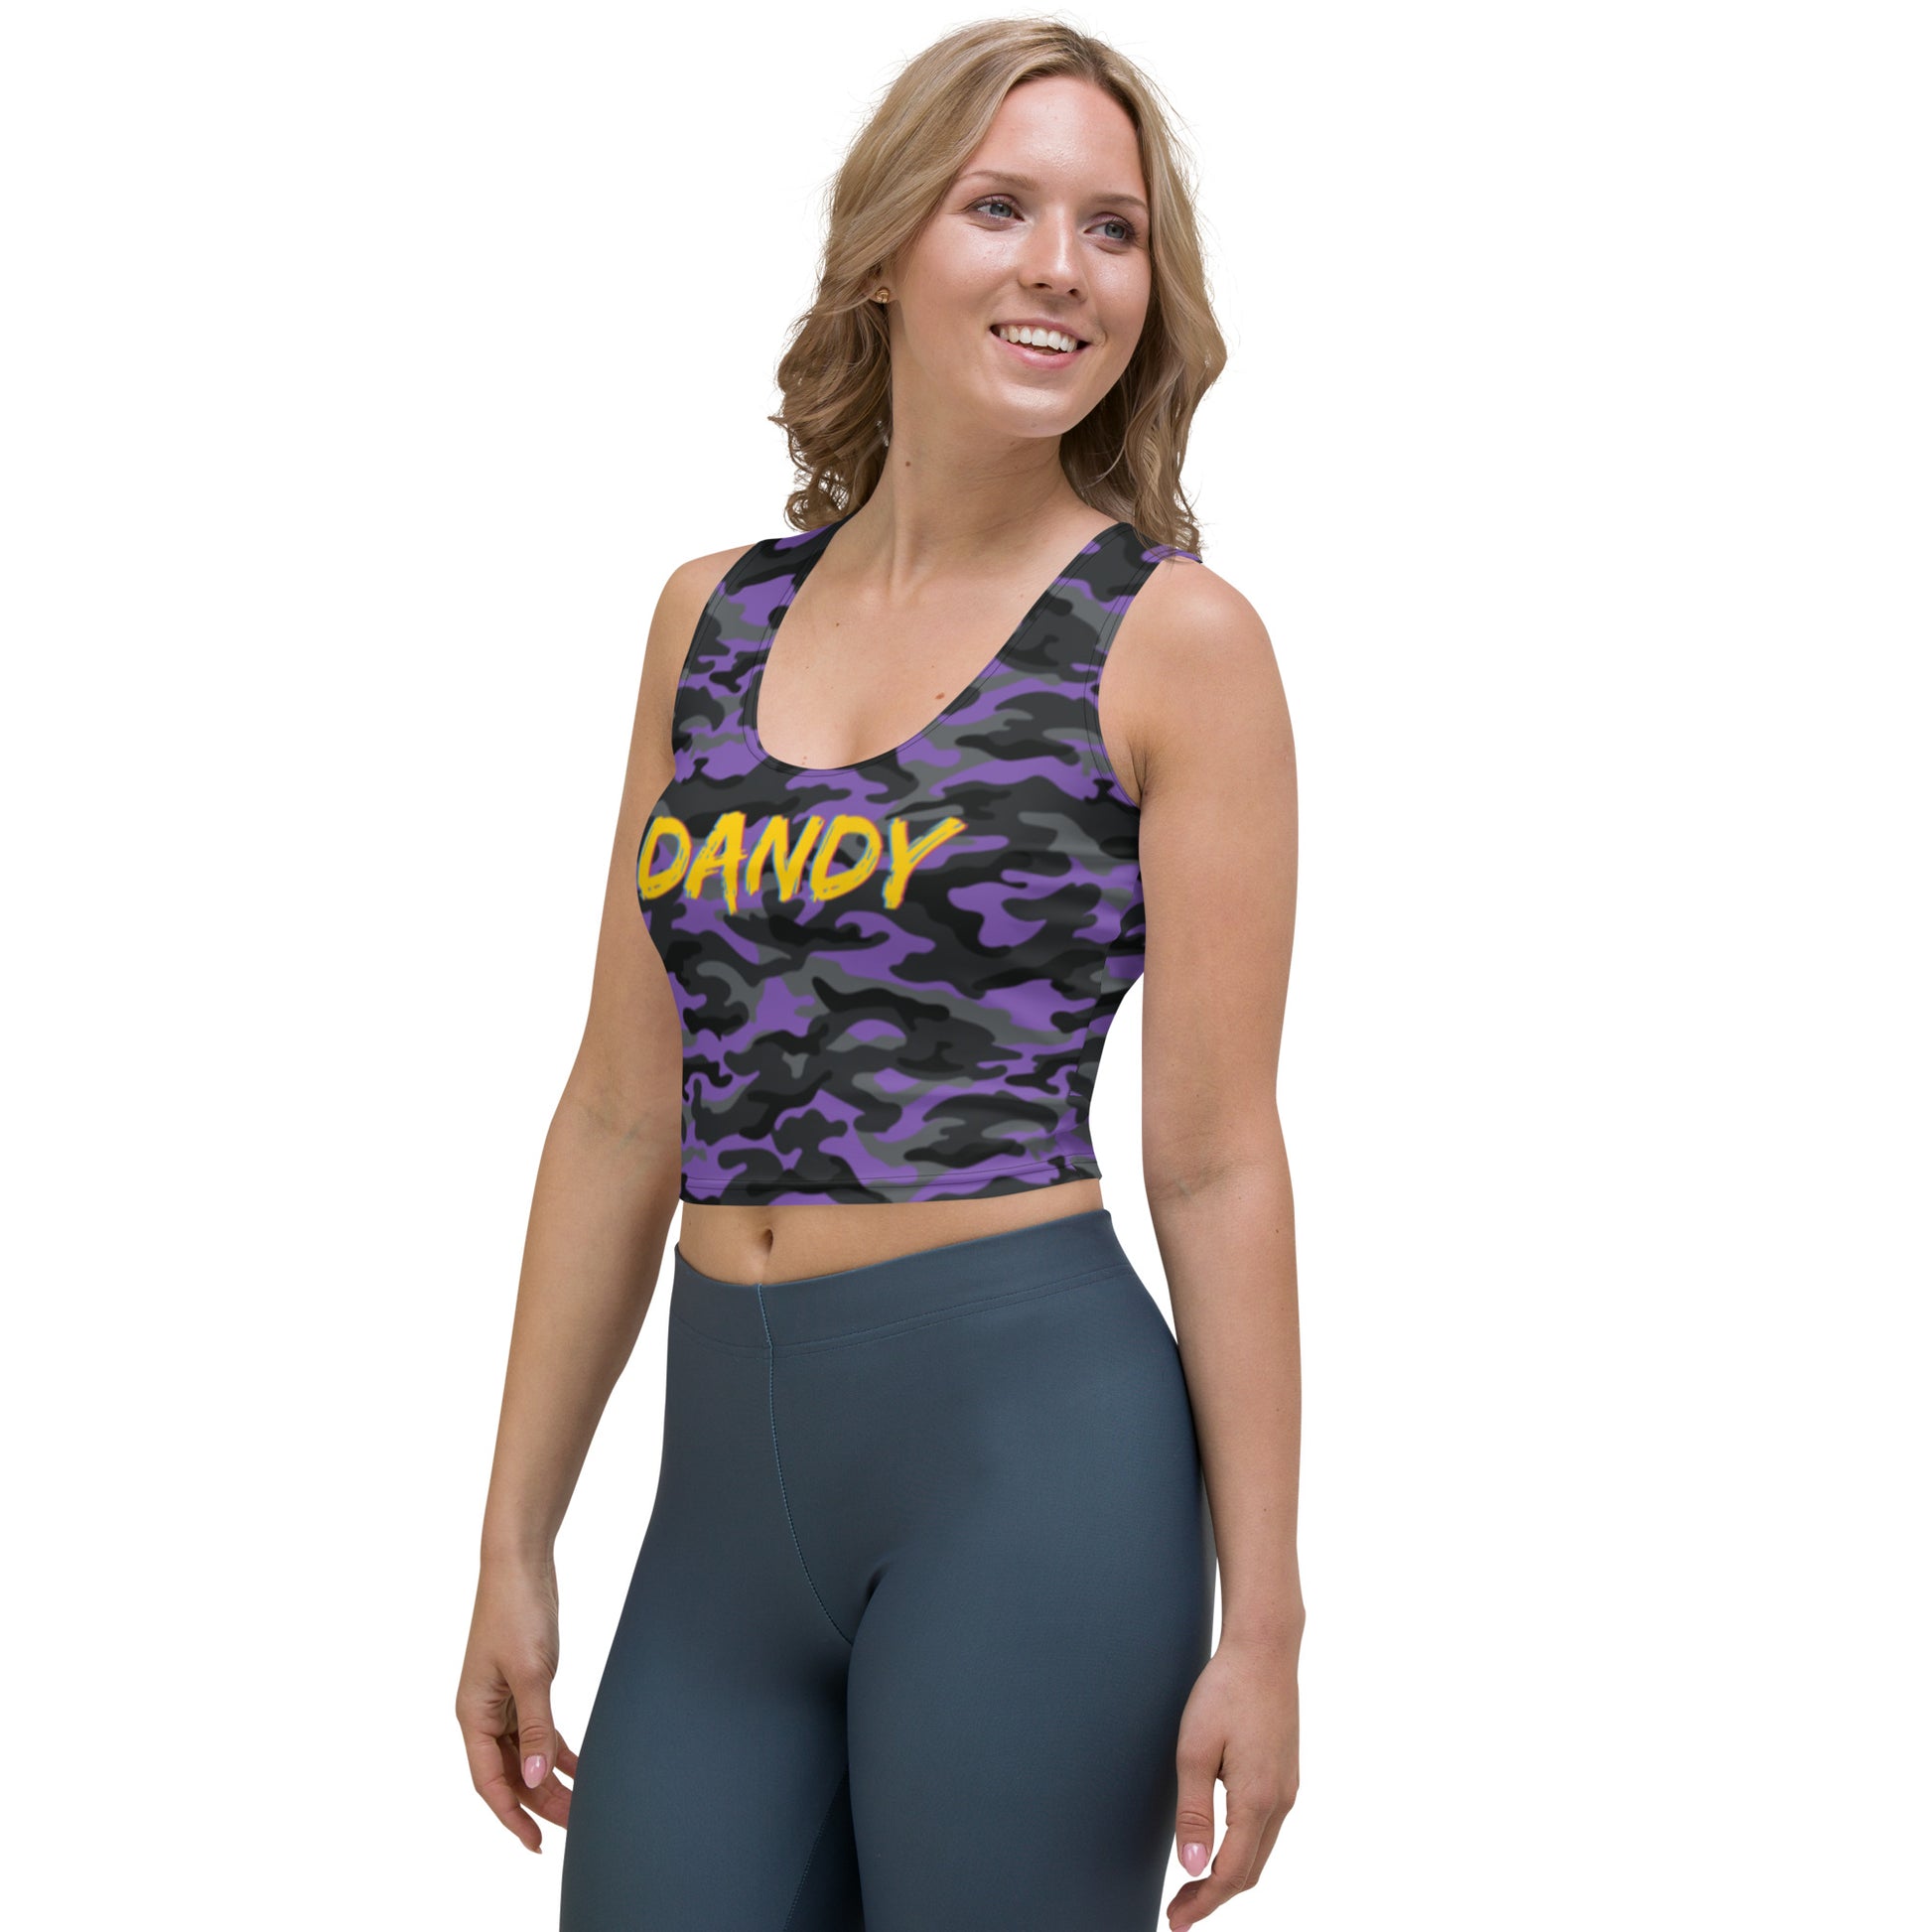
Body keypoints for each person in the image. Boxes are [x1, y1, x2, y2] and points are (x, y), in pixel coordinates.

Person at [455, 20, 1303, 1931]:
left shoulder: (1172, 643)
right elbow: (620, 1111)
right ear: (884, 247)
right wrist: (514, 1532)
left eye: (1111, 228)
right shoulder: (710, 618)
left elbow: (1218, 1159)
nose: (1059, 268)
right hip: (719, 1490)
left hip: (1030, 1463)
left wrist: (1265, 1621)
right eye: (1000, 207)